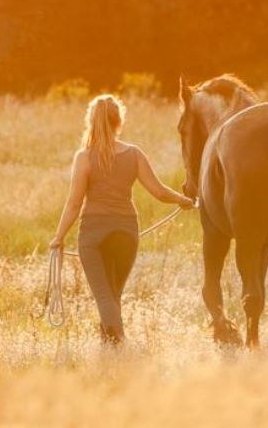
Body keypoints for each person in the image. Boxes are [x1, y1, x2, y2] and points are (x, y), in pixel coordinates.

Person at [49, 94, 195, 345]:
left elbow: (74, 203)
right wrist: (184, 200)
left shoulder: (84, 157)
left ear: (91, 121)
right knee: (113, 295)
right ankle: (108, 347)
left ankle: (119, 346)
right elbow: (159, 191)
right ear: (119, 121)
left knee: (105, 297)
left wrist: (58, 238)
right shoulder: (134, 154)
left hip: (93, 234)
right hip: (127, 232)